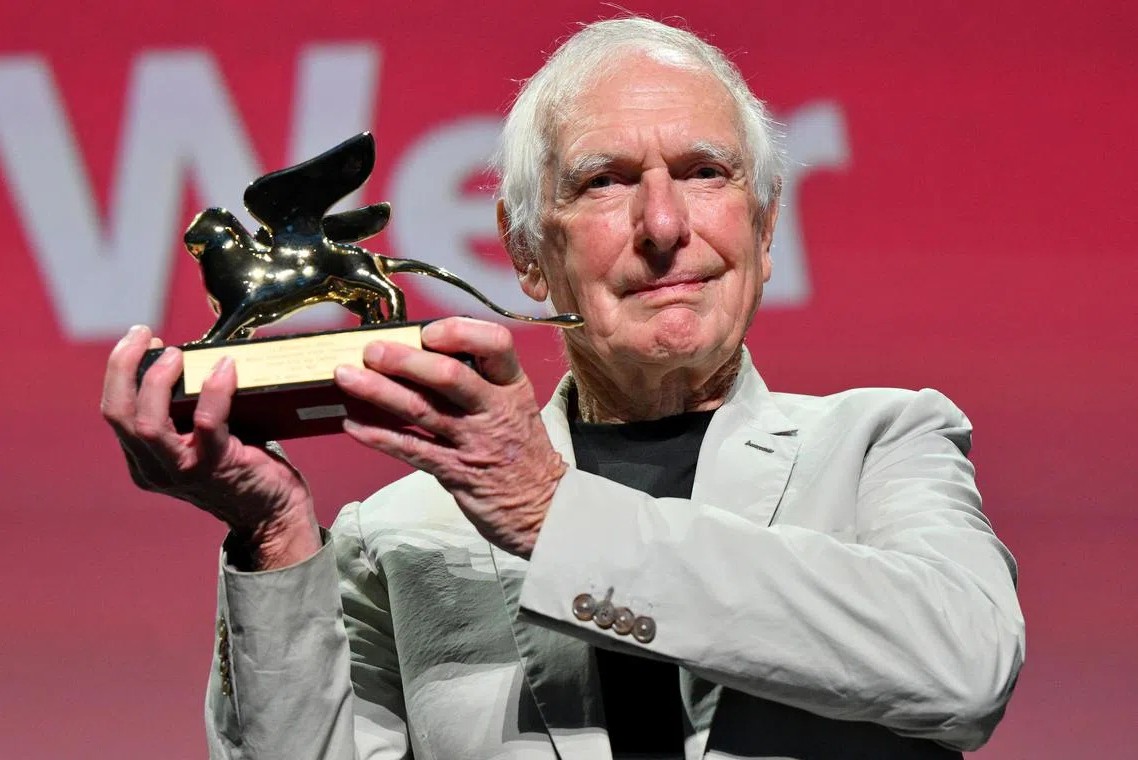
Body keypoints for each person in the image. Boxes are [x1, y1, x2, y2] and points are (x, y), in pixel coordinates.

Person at [100, 17, 1024, 760]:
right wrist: (272, 538)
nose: (663, 224)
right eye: (605, 182)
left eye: (705, 173)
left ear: (766, 225)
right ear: (525, 255)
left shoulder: (881, 445)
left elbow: (965, 668)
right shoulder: (399, 538)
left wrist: (551, 514)